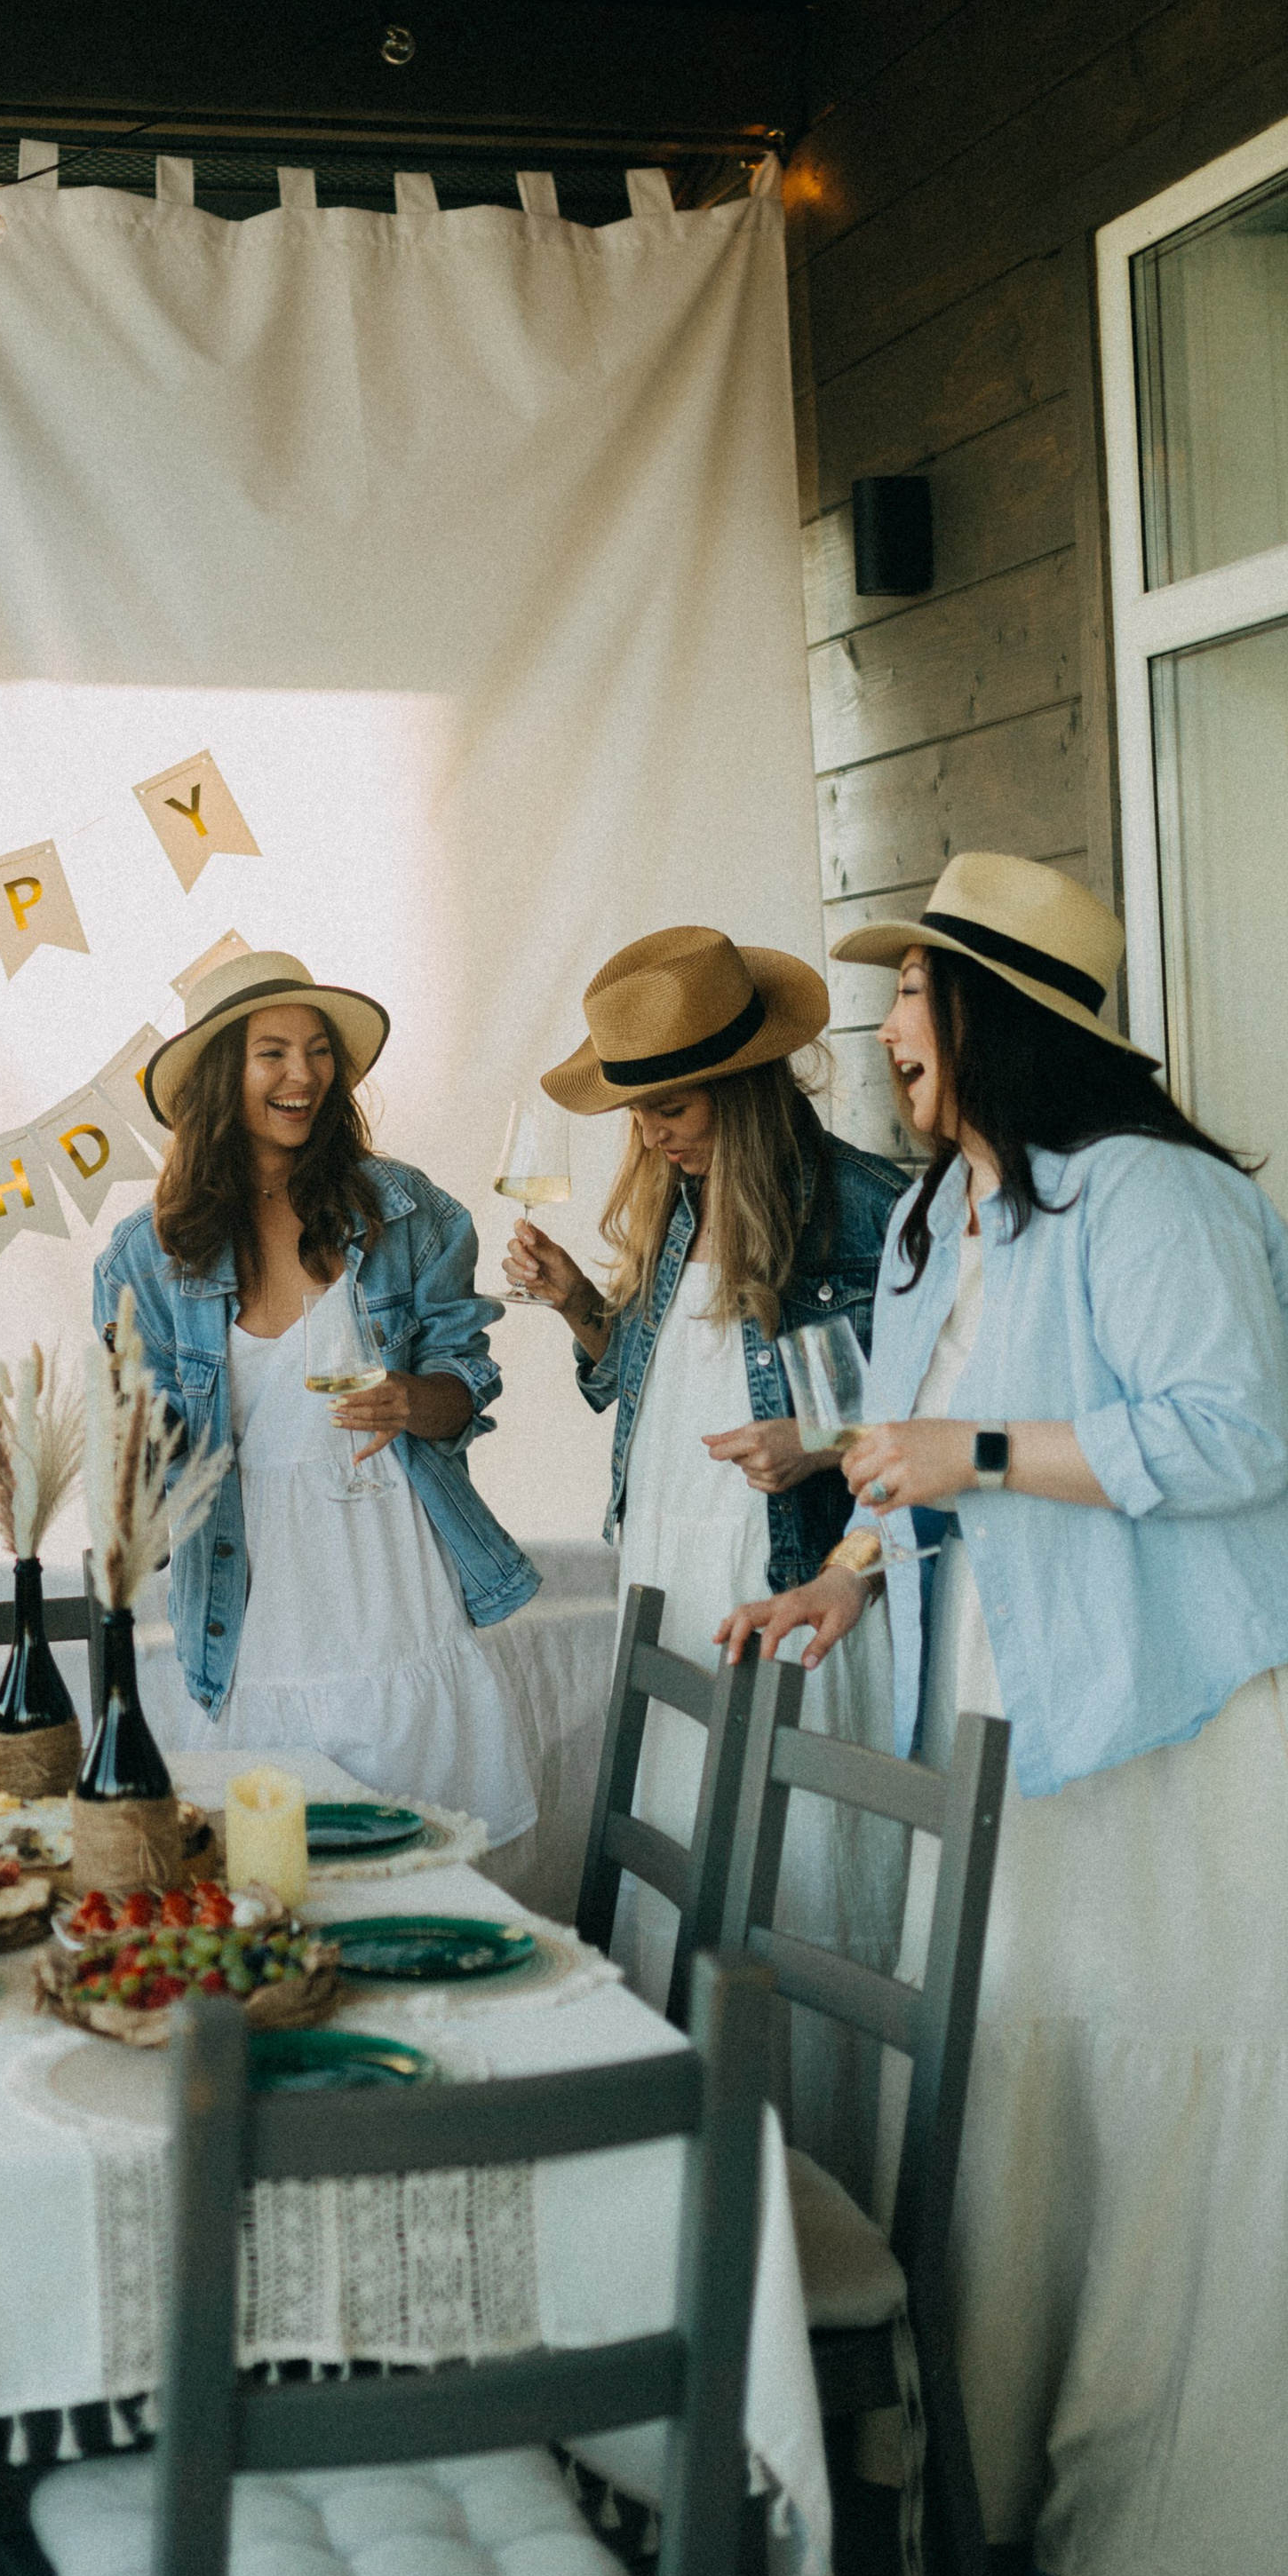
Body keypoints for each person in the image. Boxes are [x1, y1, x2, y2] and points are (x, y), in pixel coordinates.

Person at [723, 852, 1288, 2576]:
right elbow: (911, 1463)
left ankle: (1130, 2560)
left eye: (907, 999)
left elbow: (1231, 1433)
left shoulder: (1155, 1199)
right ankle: (1009, 2505)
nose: (886, 1035)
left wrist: (957, 1444)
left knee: (1151, 2149)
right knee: (1022, 2122)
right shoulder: (932, 1222)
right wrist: (838, 1571)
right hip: (1006, 1711)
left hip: (1173, 1728)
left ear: (990, 1017)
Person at [507, 924, 908, 2187]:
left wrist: (820, 1444)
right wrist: (582, 1303)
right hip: (676, 1585)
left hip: (792, 1587)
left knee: (794, 1885)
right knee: (681, 1869)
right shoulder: (679, 1213)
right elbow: (645, 1385)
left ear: (737, 1084)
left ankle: (810, 2179)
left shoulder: (865, 1209)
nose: (653, 1134)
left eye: (670, 1107)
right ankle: (688, 2179)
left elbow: (923, 1424)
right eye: (639, 1111)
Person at [92, 947, 543, 1879]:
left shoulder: (408, 1210)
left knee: (424, 1868)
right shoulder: (147, 1256)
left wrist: (424, 1400)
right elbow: (151, 1458)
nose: (304, 1075)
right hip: (255, 1601)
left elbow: (466, 1371)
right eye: (272, 1053)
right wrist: (136, 1444)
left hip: (391, 1580)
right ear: (221, 1076)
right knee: (273, 1874)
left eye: (318, 1051)